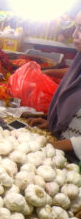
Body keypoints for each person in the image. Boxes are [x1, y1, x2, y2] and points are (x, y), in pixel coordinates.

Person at [28, 10, 81, 161]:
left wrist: (51, 146)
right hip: (60, 153)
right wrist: (52, 123)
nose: (74, 35)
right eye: (75, 28)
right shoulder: (78, 65)